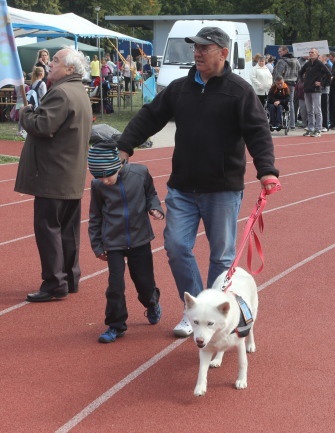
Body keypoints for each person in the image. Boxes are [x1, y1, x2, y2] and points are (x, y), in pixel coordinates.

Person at [115, 26, 280, 338]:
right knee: (176, 247)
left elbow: (258, 132)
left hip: (223, 189)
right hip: (183, 188)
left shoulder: (239, 91)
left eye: (205, 47)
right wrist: (124, 146)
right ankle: (194, 310)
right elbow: (150, 116)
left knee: (221, 257)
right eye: (196, 48)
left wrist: (266, 170)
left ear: (223, 52)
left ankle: (217, 316)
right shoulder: (179, 89)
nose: (198, 53)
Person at [15, 47, 92, 302]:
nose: (51, 65)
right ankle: (69, 278)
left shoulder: (60, 93)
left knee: (48, 229)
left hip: (54, 175)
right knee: (68, 230)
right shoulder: (78, 91)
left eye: (56, 61)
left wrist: (24, 112)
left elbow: (42, 126)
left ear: (70, 69)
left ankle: (54, 283)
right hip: (69, 174)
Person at [88, 141, 164, 343]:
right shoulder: (98, 186)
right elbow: (95, 217)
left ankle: (152, 302)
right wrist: (97, 246)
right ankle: (115, 325)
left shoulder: (140, 174)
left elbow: (151, 195)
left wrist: (155, 208)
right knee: (115, 286)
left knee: (144, 283)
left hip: (140, 240)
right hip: (114, 243)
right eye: (98, 176)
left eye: (106, 175)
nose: (103, 181)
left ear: (117, 165)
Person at [299, 47, 331, 137]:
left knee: (317, 110)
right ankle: (310, 128)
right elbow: (300, 73)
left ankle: (318, 129)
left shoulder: (319, 63)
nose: (310, 54)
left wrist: (322, 83)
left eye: (312, 52)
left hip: (316, 90)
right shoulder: (307, 64)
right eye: (309, 52)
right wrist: (303, 81)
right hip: (307, 89)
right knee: (309, 110)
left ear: (317, 54)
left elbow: (329, 74)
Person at [273, 46, 300, 130]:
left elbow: (278, 74)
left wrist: (275, 83)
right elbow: (300, 71)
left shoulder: (281, 61)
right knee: (291, 102)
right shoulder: (296, 60)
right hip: (292, 83)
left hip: (283, 84)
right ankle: (292, 123)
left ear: (285, 51)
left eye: (280, 51)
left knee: (279, 101)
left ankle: (278, 121)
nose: (279, 53)